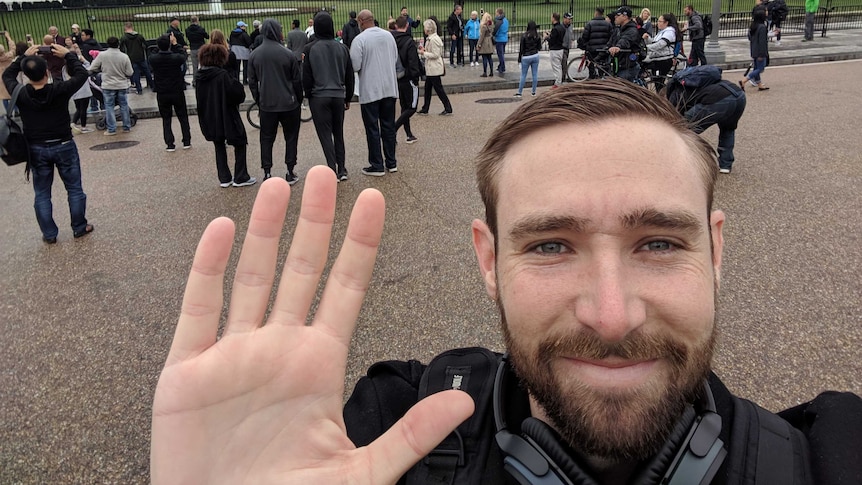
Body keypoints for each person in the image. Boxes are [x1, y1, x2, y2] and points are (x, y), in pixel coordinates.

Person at [151, 80, 862, 484]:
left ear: (714, 249)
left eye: (659, 241)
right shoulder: (385, 433)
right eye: (552, 244)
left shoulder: (836, 455)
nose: (610, 314)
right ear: (488, 260)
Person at [3, 44, 93, 243]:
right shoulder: (60, 89)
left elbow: (7, 75)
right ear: (46, 72)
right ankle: (79, 226)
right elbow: (81, 74)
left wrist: (21, 59)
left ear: (26, 75)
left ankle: (50, 234)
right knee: (74, 188)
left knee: (42, 193)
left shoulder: (21, 92)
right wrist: (68, 55)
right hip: (63, 143)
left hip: (36, 146)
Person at [248, 19, 304, 184]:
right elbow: (296, 81)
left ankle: (267, 171)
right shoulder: (287, 54)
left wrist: (258, 99)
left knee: (266, 138)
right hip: (288, 102)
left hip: (267, 103)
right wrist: (298, 99)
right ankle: (290, 170)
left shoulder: (255, 55)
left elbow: (252, 82)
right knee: (291, 137)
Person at [302, 11, 354, 181]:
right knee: (338, 133)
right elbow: (349, 76)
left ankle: (332, 168)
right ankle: (342, 168)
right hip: (338, 95)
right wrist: (348, 97)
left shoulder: (310, 49)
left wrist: (308, 95)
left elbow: (307, 76)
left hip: (319, 96)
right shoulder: (342, 48)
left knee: (325, 135)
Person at [194, 43, 254, 188]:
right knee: (240, 141)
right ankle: (240, 176)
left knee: (218, 144)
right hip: (227, 113)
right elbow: (237, 95)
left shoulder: (199, 77)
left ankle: (224, 177)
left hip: (210, 114)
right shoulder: (222, 76)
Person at [350, 10, 399, 176]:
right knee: (388, 126)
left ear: (361, 22)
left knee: (372, 128)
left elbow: (355, 65)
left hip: (371, 90)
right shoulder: (388, 36)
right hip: (389, 87)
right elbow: (394, 58)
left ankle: (377, 164)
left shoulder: (360, 40)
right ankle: (391, 162)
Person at [149, 33, 192, 151]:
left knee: (166, 119)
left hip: (162, 92)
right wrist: (175, 43)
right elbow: (183, 55)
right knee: (182, 116)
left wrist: (161, 45)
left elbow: (151, 54)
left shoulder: (154, 59)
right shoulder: (176, 58)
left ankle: (170, 143)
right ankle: (186, 141)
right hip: (176, 90)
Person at [88, 36, 133, 135]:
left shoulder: (102, 55)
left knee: (109, 107)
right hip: (121, 84)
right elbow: (129, 72)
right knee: (124, 106)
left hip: (108, 84)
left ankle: (111, 129)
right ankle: (126, 127)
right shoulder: (124, 56)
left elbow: (92, 67)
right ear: (118, 44)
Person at [391, 16, 421, 145]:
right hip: (408, 78)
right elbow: (413, 62)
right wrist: (416, 77)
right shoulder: (409, 42)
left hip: (397, 77)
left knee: (404, 106)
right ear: (407, 26)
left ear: (396, 26)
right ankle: (393, 130)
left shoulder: (391, 40)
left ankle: (409, 134)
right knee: (412, 107)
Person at [417, 19, 453, 117]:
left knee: (438, 89)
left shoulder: (434, 39)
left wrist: (423, 53)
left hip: (434, 68)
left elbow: (436, 54)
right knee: (428, 88)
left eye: (425, 28)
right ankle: (425, 108)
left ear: (428, 29)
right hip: (431, 68)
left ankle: (448, 108)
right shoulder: (431, 38)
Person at [642, 13, 680, 90]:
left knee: (659, 84)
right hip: (656, 59)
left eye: (660, 21)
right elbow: (654, 42)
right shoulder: (662, 32)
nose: (657, 23)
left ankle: (661, 99)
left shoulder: (669, 32)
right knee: (657, 82)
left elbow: (660, 45)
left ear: (666, 23)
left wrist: (644, 48)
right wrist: (648, 38)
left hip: (663, 60)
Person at [607, 7, 641, 83]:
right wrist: (595, 59)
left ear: (625, 17)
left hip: (627, 66)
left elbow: (625, 40)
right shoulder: (617, 30)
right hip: (617, 66)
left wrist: (618, 47)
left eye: (618, 15)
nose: (615, 17)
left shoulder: (632, 30)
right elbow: (609, 44)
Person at [578, 7, 612, 79]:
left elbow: (585, 37)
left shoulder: (590, 24)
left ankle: (593, 78)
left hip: (592, 50)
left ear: (596, 13)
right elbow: (611, 37)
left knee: (592, 65)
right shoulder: (608, 24)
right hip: (603, 49)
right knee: (603, 66)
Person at [119, 22, 153, 95]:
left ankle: (139, 89)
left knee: (135, 73)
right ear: (132, 27)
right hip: (141, 56)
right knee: (147, 72)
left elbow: (121, 48)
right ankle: (152, 86)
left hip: (131, 58)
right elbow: (145, 45)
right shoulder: (139, 36)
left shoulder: (124, 37)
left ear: (125, 28)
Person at [742, 9, 770, 91]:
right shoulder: (762, 27)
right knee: (760, 69)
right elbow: (762, 42)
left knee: (756, 68)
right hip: (760, 51)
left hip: (753, 50)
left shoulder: (753, 26)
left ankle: (760, 84)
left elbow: (750, 38)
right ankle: (745, 80)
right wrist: (762, 54)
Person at [515, 21, 541, 97]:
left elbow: (521, 49)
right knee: (535, 74)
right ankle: (533, 91)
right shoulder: (537, 36)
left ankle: (520, 92)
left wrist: (519, 59)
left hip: (526, 56)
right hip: (535, 55)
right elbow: (539, 48)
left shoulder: (524, 36)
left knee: (523, 75)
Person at [544, 13, 566, 88]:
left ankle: (558, 83)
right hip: (560, 49)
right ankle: (559, 82)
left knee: (556, 67)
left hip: (555, 50)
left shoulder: (555, 29)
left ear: (554, 18)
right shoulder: (562, 28)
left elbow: (552, 40)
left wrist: (546, 37)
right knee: (559, 66)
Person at [185, 16, 209, 85]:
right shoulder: (200, 29)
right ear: (197, 21)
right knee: (203, 65)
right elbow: (207, 36)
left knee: (194, 66)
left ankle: (195, 81)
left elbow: (188, 37)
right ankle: (203, 79)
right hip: (201, 48)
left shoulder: (188, 30)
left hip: (193, 48)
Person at [0, 31, 16, 114]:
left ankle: (8, 112)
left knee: (4, 96)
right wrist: (8, 37)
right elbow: (13, 48)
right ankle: (17, 110)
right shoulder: (9, 56)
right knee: (13, 93)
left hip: (1, 79)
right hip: (9, 76)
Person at [477, 12, 495, 77]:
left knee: (484, 58)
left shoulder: (484, 26)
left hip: (485, 42)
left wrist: (479, 44)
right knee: (490, 58)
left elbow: (482, 37)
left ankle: (485, 72)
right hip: (489, 41)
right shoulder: (491, 25)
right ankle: (491, 71)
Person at [493, 8, 509, 75]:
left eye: (496, 12)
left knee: (500, 54)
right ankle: (501, 66)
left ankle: (502, 67)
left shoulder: (499, 21)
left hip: (499, 39)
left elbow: (496, 31)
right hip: (505, 38)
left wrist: (494, 35)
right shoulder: (506, 20)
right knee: (502, 53)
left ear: (498, 13)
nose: (495, 14)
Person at [561, 13, 574, 81]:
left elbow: (571, 34)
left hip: (567, 47)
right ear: (564, 19)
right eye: (569, 19)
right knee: (564, 63)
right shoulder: (561, 26)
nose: (570, 20)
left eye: (571, 19)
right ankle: (563, 79)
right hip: (562, 47)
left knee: (564, 63)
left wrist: (571, 40)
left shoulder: (571, 26)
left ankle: (563, 77)